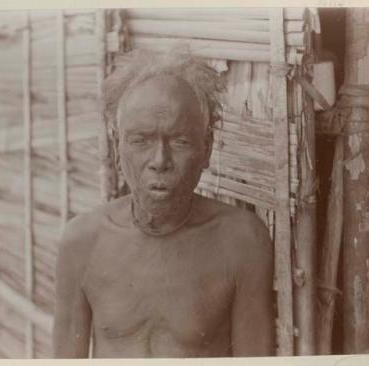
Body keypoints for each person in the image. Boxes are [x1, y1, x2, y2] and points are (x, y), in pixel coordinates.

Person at [53, 50, 275, 358]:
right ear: (117, 146)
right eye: (140, 141)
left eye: (180, 141)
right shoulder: (81, 242)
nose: (160, 161)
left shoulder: (242, 241)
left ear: (206, 148)